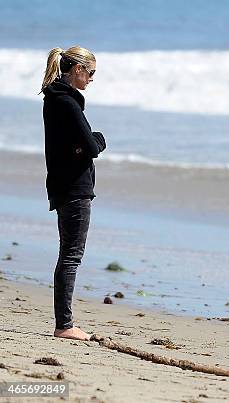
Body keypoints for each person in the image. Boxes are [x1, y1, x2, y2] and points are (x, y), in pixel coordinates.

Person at [40, 46, 106, 341]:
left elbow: (78, 146)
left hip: (61, 183)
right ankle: (64, 325)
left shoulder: (54, 99)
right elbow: (92, 147)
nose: (92, 79)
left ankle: (63, 323)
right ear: (77, 69)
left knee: (67, 254)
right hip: (75, 186)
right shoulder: (67, 103)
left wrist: (84, 146)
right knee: (71, 256)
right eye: (91, 72)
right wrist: (97, 141)